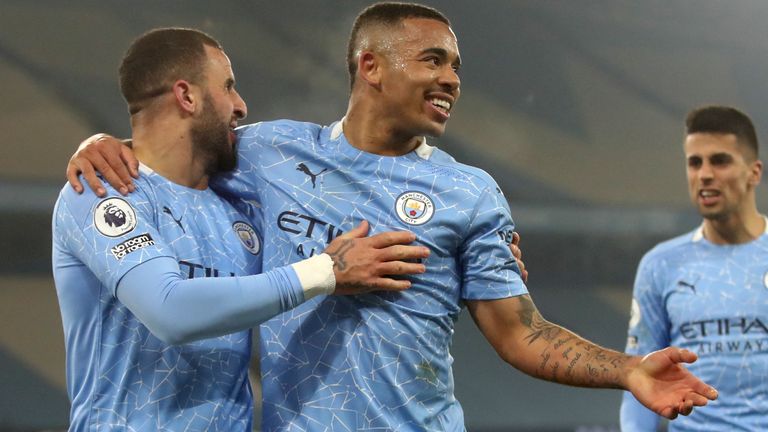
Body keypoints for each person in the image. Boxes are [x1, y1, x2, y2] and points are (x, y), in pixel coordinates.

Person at [66, 3, 717, 431]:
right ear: (370, 67)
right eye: (433, 59)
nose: (452, 79)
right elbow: (178, 146)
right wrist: (101, 146)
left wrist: (627, 369)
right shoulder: (270, 154)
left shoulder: (469, 193)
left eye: (457, 66)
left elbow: (523, 335)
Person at [52, 27, 432, 431]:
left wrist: (483, 253)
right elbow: (170, 311)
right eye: (228, 87)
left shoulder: (237, 204)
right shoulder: (98, 193)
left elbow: (347, 248)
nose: (241, 105)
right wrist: (325, 271)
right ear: (187, 96)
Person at [620, 105, 768, 431]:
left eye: (720, 160)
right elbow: (639, 379)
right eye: (694, 162)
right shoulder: (661, 265)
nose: (704, 174)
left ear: (754, 172)